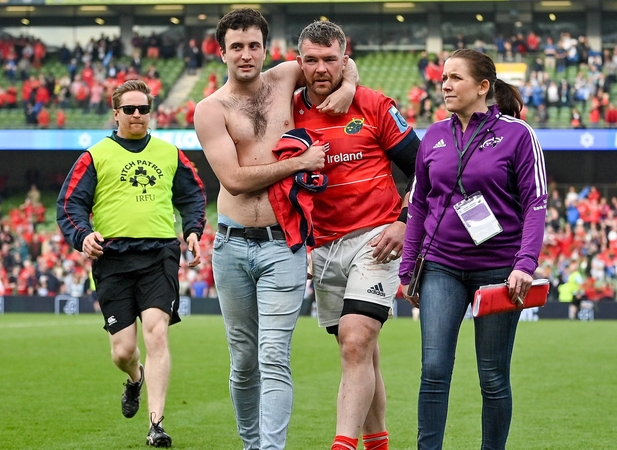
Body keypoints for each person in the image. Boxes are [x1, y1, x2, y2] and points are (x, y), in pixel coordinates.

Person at [193, 9, 356, 450]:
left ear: (266, 48)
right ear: (221, 51)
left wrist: (351, 87)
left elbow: (339, 61)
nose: (246, 55)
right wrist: (299, 163)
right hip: (230, 245)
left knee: (274, 356)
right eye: (236, 47)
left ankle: (269, 449)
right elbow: (234, 178)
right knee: (244, 361)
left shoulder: (286, 76)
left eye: (253, 46)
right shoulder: (210, 110)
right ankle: (251, 444)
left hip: (283, 245)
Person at [399, 49, 547, 450]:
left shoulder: (519, 135)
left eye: (455, 78)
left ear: (483, 87)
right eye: (443, 77)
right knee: (433, 369)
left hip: (499, 270)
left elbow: (536, 203)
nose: (445, 84)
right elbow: (417, 208)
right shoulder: (433, 136)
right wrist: (407, 269)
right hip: (442, 267)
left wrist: (525, 264)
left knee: (493, 376)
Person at [56, 79, 206, 448]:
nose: (137, 115)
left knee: (157, 332)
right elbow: (69, 204)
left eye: (143, 109)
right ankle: (134, 378)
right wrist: (83, 236)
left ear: (150, 112)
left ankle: (156, 424)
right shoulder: (95, 155)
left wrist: (192, 230)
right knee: (123, 350)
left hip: (159, 254)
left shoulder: (170, 153)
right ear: (116, 113)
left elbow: (193, 195)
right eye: (129, 109)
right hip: (112, 258)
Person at [293, 21, 420, 450]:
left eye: (331, 59)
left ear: (346, 61)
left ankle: (342, 444)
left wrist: (404, 221)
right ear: (299, 63)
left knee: (355, 341)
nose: (321, 67)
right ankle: (378, 443)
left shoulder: (374, 105)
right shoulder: (286, 112)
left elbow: (424, 168)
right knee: (361, 352)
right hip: (324, 246)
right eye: (311, 59)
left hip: (377, 237)